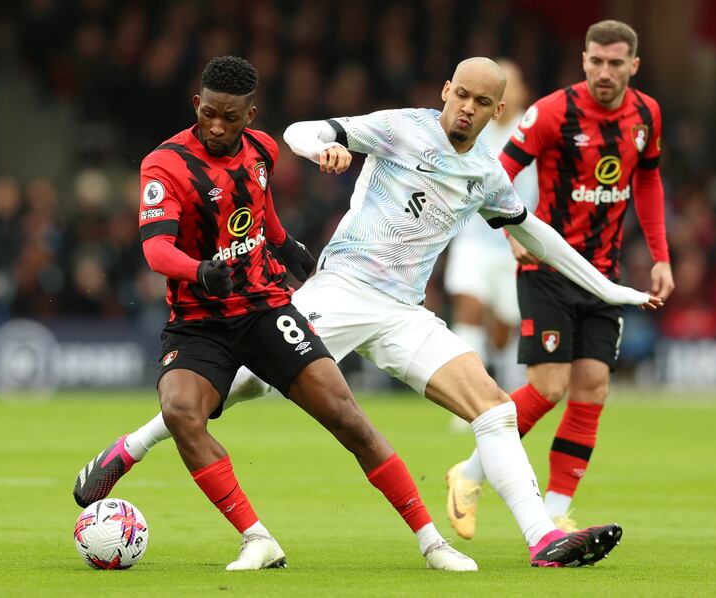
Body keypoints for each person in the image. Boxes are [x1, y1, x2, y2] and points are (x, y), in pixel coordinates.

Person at [75, 56, 662, 568]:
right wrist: (325, 148)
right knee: (246, 385)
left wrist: (611, 290)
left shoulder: (486, 172)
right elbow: (302, 130)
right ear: (445, 92)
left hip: (405, 313)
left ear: (497, 110)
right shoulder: (401, 128)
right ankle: (131, 446)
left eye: (482, 102)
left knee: (494, 409)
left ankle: (542, 540)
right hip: (342, 289)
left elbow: (535, 234)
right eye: (460, 94)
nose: (466, 108)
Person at [75, 55, 480, 573]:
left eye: (232, 117)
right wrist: (199, 271)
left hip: (268, 309)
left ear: (251, 113)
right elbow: (157, 251)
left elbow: (260, 213)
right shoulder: (165, 164)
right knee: (180, 411)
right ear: (196, 104)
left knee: (347, 418)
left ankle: (433, 543)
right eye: (210, 114)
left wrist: (288, 248)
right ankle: (257, 538)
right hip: (199, 321)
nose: (218, 126)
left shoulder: (264, 150)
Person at [446, 20, 675, 539]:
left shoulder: (647, 115)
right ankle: (470, 473)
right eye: (596, 61)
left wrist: (660, 256)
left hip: (604, 275)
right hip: (548, 267)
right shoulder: (551, 111)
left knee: (593, 386)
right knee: (548, 386)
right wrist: (508, 228)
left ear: (633, 66)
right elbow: (498, 172)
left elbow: (650, 179)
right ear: (584, 59)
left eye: (616, 63)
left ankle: (553, 510)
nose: (604, 72)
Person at [443, 58, 537, 399]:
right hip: (473, 239)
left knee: (504, 328)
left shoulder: (535, 130)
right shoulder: (475, 127)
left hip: (515, 244)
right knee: (468, 307)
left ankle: (507, 395)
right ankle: (467, 396)